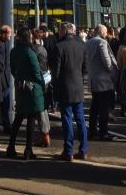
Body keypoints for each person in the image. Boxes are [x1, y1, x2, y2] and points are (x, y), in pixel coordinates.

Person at [50, 22, 89, 161]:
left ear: (64, 31)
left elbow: (56, 71)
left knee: (67, 118)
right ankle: (83, 150)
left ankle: (68, 151)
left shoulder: (59, 47)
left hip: (64, 87)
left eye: (59, 30)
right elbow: (85, 69)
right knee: (80, 119)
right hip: (78, 86)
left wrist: (54, 85)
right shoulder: (82, 46)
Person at [7, 27, 45, 160]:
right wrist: (43, 82)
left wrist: (19, 79)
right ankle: (28, 149)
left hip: (20, 86)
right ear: (28, 37)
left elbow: (12, 69)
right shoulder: (30, 52)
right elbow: (36, 73)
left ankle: (10, 146)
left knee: (18, 117)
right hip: (33, 88)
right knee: (31, 119)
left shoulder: (14, 51)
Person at [86, 24, 118, 141]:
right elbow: (106, 60)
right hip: (103, 80)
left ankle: (92, 130)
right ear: (101, 32)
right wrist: (112, 71)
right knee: (103, 108)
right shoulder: (102, 43)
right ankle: (103, 132)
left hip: (93, 78)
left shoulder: (88, 42)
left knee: (94, 107)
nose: (106, 34)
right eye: (105, 32)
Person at [31, 30, 52, 147]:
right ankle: (45, 134)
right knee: (42, 109)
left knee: (39, 110)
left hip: (37, 81)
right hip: (45, 80)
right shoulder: (43, 50)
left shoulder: (34, 50)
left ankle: (44, 135)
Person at [0, 24, 14, 133]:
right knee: (5, 104)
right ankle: (7, 125)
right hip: (3, 79)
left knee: (5, 104)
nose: (11, 35)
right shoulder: (1, 44)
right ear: (4, 34)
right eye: (9, 33)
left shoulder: (5, 43)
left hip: (6, 77)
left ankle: (6, 124)